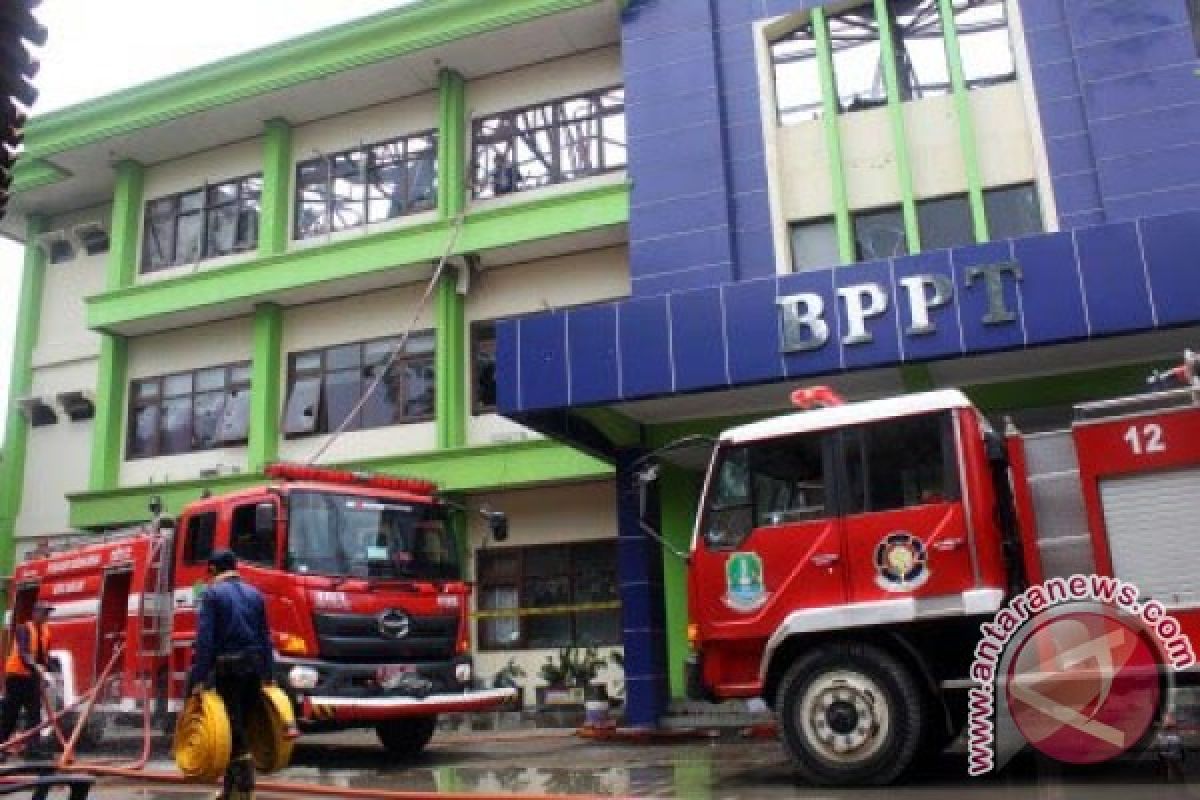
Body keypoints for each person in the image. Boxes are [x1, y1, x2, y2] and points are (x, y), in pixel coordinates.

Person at [188, 550, 274, 800]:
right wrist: (268, 674)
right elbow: (265, 637)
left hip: (228, 671)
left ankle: (245, 785)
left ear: (213, 569)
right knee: (241, 725)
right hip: (254, 669)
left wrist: (199, 678)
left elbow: (205, 641)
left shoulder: (212, 595)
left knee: (229, 728)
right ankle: (229, 790)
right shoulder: (255, 594)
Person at [0, 602, 54, 757]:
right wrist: (37, 668)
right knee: (11, 714)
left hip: (31, 678)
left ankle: (33, 749)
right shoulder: (23, 629)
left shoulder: (47, 632)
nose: (46, 616)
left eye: (48, 613)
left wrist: (50, 672)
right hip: (16, 677)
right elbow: (24, 654)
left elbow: (44, 657)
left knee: (34, 714)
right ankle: (2, 745)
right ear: (35, 613)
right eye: (44, 613)